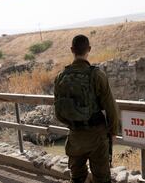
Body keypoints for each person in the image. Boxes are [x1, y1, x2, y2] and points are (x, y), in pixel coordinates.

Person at [54, 35, 119, 183]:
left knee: (77, 178)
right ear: (89, 49)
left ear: (72, 50)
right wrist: (113, 131)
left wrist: (74, 123)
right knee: (101, 178)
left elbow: (58, 111)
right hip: (97, 136)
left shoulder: (60, 77)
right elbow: (111, 108)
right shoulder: (96, 74)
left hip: (75, 136)